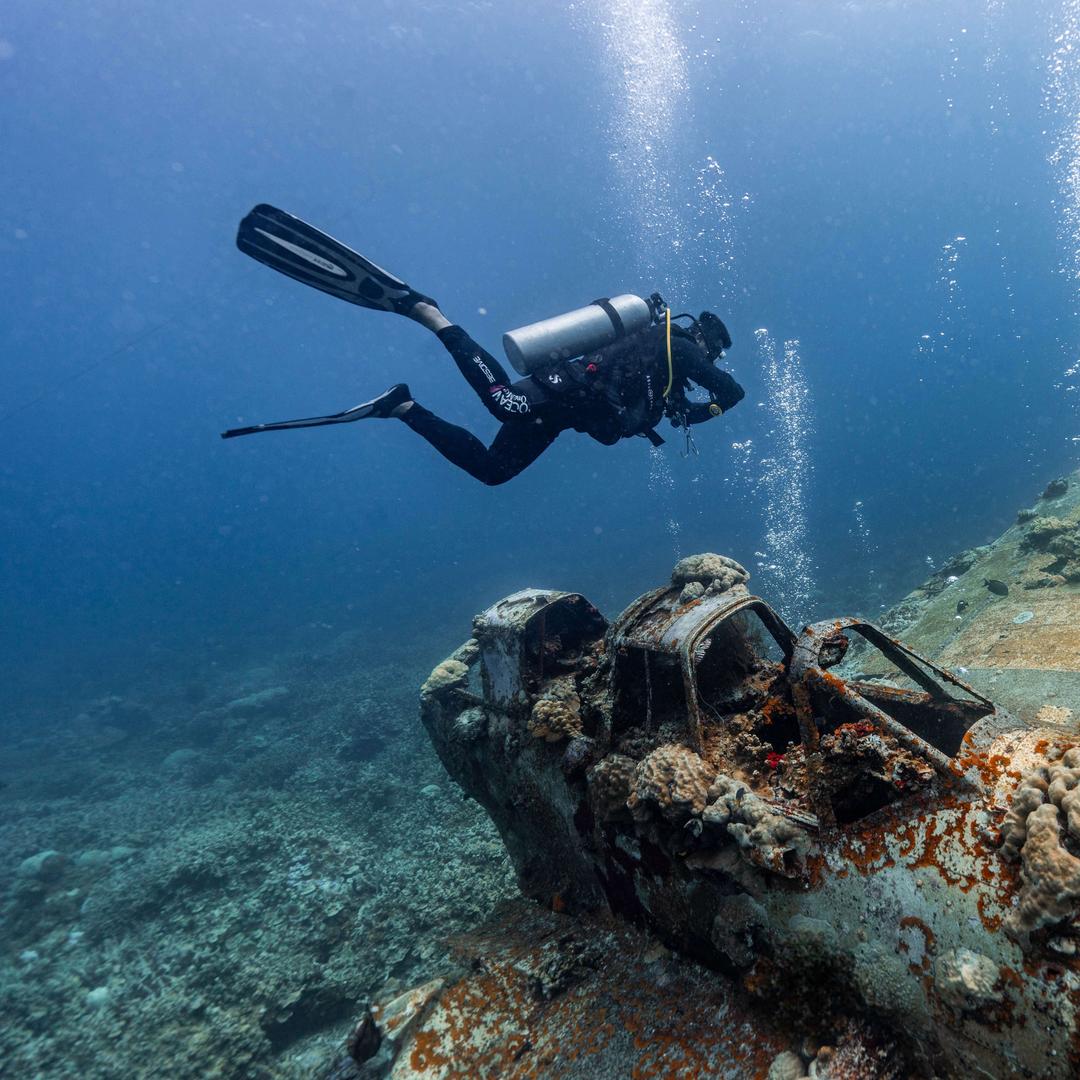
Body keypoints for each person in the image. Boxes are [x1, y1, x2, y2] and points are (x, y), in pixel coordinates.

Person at [223, 205, 746, 485]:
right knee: (504, 403)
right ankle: (430, 313)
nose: (710, 358)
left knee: (494, 473)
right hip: (567, 387)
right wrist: (712, 408)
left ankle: (401, 406)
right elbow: (732, 390)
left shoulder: (668, 370)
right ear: (706, 338)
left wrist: (687, 412)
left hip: (566, 412)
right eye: (713, 349)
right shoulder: (676, 343)